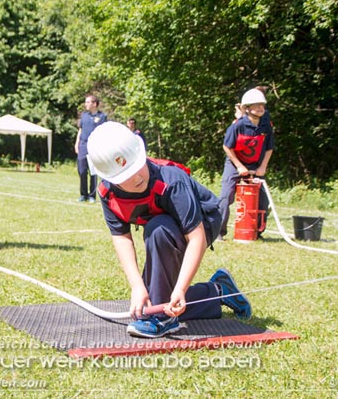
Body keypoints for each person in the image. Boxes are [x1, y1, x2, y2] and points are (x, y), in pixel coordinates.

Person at [87, 121, 251, 338]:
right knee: (156, 284)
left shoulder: (172, 181)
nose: (137, 177)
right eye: (126, 176)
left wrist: (181, 289)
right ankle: (219, 291)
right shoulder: (107, 193)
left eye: (138, 166)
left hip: (203, 222)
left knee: (158, 230)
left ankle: (163, 319)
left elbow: (196, 237)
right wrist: (137, 286)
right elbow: (121, 238)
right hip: (163, 227)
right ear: (109, 178)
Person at [217, 88, 274, 240]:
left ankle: (256, 232)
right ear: (247, 108)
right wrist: (239, 166)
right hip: (235, 163)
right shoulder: (238, 126)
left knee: (262, 200)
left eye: (262, 105)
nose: (260, 108)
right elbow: (227, 146)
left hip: (256, 165)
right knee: (225, 196)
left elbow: (269, 148)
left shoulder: (266, 126)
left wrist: (262, 167)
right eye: (256, 105)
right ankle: (218, 232)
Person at [75, 95, 107, 202]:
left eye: (88, 102)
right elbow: (80, 130)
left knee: (93, 172)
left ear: (94, 104)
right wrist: (77, 143)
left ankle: (92, 196)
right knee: (82, 171)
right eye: (86, 102)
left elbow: (104, 133)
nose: (86, 104)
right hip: (83, 146)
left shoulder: (102, 117)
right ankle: (83, 194)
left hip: (94, 148)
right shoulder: (84, 116)